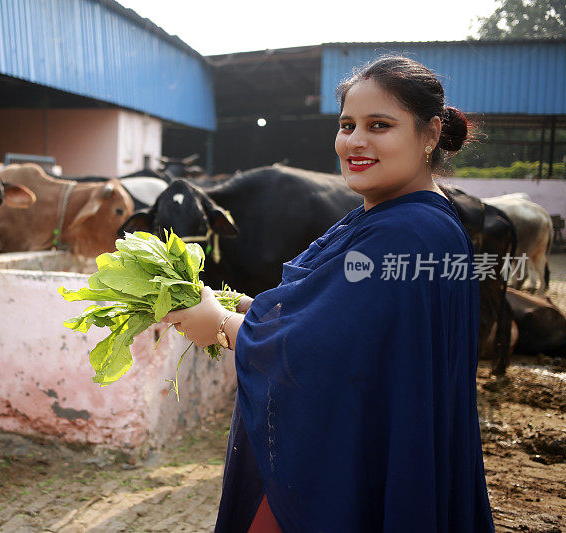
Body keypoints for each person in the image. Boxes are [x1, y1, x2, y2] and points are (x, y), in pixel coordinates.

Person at [163, 56, 495, 532]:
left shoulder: (407, 232)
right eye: (347, 125)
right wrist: (244, 305)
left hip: (351, 467)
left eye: (379, 125)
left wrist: (218, 326)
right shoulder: (390, 216)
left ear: (430, 134)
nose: (355, 141)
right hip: (371, 441)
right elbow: (347, 319)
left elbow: (321, 351)